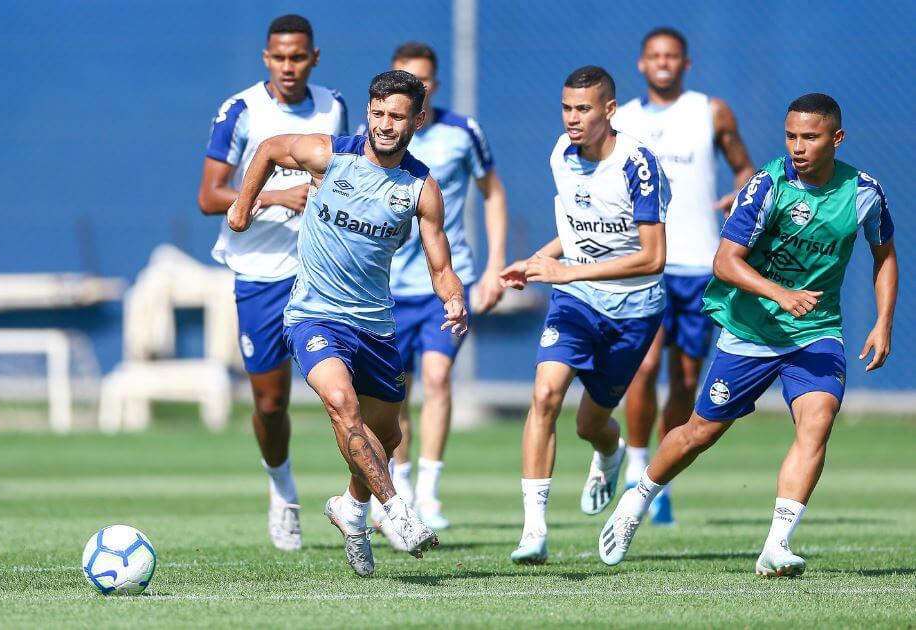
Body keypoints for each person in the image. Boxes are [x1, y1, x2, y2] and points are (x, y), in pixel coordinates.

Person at [599, 94, 897, 578]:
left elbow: (885, 255)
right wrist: (780, 294)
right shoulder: (769, 184)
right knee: (701, 433)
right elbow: (726, 261)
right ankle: (640, 495)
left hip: (815, 332)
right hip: (750, 331)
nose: (798, 147)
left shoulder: (865, 192)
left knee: (817, 421)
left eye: (811, 137)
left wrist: (884, 321)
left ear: (836, 139)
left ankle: (776, 544)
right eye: (791, 136)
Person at [227, 70, 469, 577]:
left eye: (397, 116)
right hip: (314, 314)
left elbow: (440, 265)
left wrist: (454, 299)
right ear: (368, 112)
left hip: (376, 325)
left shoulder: (421, 189)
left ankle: (352, 510)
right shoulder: (330, 155)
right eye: (378, 113)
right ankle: (397, 512)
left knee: (386, 436)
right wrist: (243, 206)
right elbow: (270, 148)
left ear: (417, 120)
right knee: (341, 402)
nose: (385, 124)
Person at [500, 66, 670, 565]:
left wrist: (570, 273)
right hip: (576, 303)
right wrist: (538, 262)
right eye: (567, 108)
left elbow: (652, 256)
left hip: (634, 311)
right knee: (546, 394)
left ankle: (610, 455)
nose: (572, 119)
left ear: (609, 110)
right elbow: (573, 234)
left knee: (591, 423)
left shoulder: (639, 165)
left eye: (584, 109)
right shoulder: (561, 154)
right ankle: (534, 531)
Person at [197, 15, 348, 552]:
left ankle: (376, 503)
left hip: (321, 273)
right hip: (259, 276)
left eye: (299, 57)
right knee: (269, 403)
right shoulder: (241, 111)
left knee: (352, 393)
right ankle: (282, 493)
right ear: (267, 59)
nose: (289, 66)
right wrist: (273, 197)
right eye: (280, 57)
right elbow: (210, 196)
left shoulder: (334, 107)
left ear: (314, 58)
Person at [613, 27, 755, 526]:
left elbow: (745, 170)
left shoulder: (710, 111)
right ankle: (633, 468)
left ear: (685, 64)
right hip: (644, 262)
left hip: (699, 264)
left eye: (672, 56)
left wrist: (741, 195)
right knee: (644, 366)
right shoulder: (622, 120)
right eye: (655, 56)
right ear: (641, 63)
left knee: (686, 376)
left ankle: (659, 479)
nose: (663, 63)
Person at [368, 42, 508, 539]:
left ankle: (429, 489)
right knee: (393, 393)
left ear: (433, 90)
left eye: (422, 81)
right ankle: (399, 489)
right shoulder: (375, 137)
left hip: (445, 282)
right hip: (385, 289)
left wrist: (493, 267)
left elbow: (493, 192)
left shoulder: (461, 132)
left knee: (439, 376)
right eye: (404, 77)